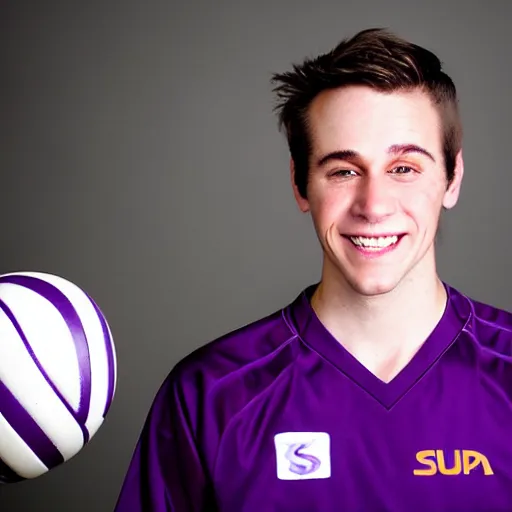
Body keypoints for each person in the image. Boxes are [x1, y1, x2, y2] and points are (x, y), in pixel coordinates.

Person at [114, 28, 512, 512]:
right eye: (343, 170)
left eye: (404, 168)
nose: (374, 205)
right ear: (301, 185)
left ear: (452, 178)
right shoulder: (211, 395)